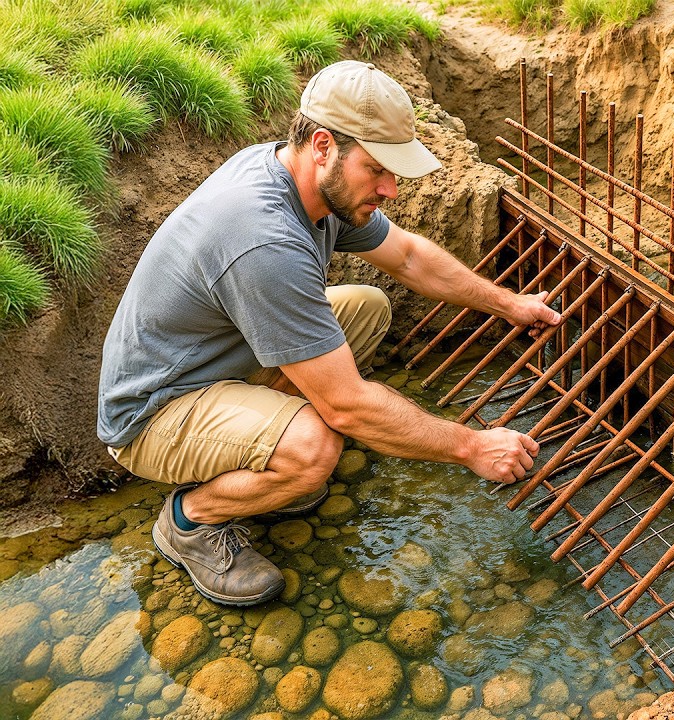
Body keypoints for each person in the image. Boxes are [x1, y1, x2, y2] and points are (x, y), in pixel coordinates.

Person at [97, 60, 560, 607]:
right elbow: (348, 408)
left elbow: (409, 257)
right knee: (317, 448)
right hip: (154, 410)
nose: (390, 188)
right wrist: (471, 446)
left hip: (216, 362)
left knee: (364, 307)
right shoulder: (263, 238)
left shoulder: (307, 180)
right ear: (323, 145)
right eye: (378, 169)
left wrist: (507, 303)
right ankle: (191, 519)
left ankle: (263, 458)